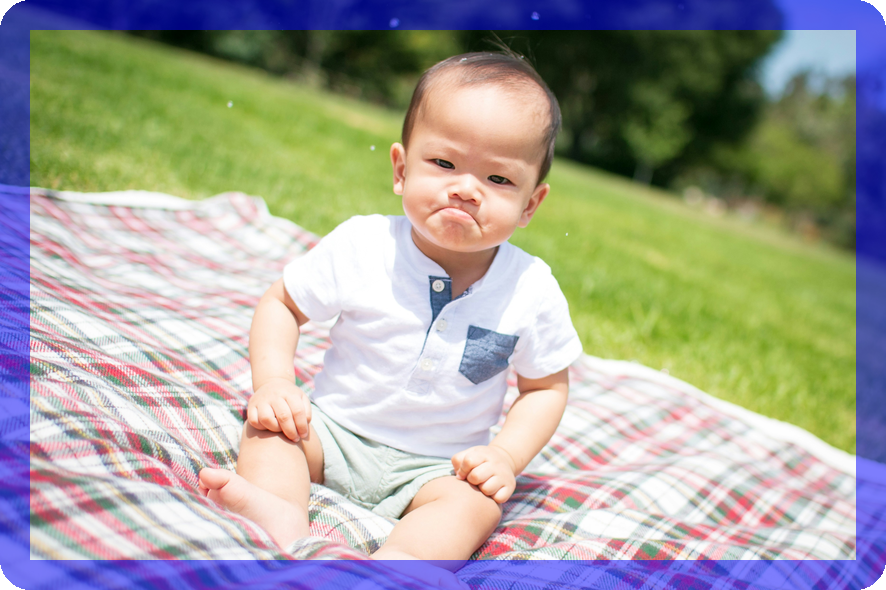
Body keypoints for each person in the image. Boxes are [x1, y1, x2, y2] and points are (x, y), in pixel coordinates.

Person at [198, 50, 583, 587]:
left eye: (498, 178)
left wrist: (504, 455)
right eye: (444, 164)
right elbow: (282, 305)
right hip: (329, 431)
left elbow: (545, 388)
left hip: (440, 466)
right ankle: (278, 514)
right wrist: (275, 382)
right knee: (270, 431)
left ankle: (398, 565)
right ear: (402, 170)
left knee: (475, 506)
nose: (466, 188)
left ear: (530, 205)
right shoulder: (365, 245)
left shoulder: (530, 289)